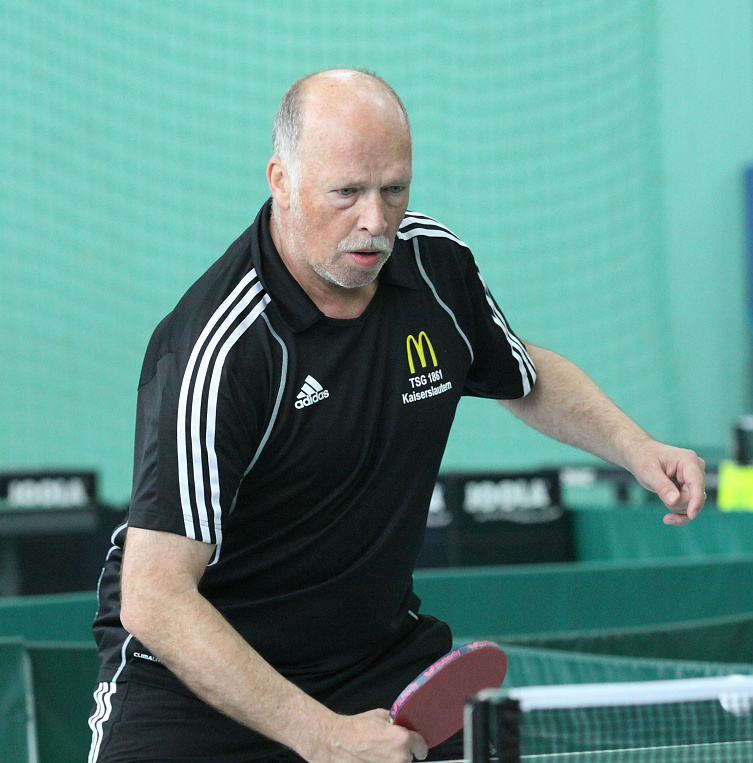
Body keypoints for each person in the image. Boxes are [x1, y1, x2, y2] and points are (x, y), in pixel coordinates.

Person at [88, 69, 706, 763]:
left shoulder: (434, 265)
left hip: (371, 659)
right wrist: (322, 734)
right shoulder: (220, 350)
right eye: (346, 193)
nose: (376, 222)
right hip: (196, 687)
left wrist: (634, 445)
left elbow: (519, 373)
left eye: (394, 189)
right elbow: (155, 597)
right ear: (281, 181)